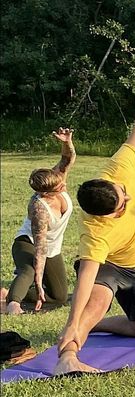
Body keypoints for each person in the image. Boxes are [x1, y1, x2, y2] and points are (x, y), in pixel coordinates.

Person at [53, 62, 135, 375]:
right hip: (112, 266)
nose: (128, 198)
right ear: (107, 214)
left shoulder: (118, 171)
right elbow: (86, 281)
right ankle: (68, 356)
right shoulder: (95, 233)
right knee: (94, 303)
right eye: (123, 203)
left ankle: (91, 326)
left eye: (122, 192)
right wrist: (73, 323)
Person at [3, 129, 76, 315]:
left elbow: (68, 159)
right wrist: (39, 281)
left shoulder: (55, 178)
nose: (64, 185)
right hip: (28, 244)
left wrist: (66, 142)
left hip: (52, 248)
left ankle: (6, 292)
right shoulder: (39, 209)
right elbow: (40, 249)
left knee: (59, 297)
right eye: (60, 186)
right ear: (45, 193)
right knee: (28, 271)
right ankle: (12, 303)